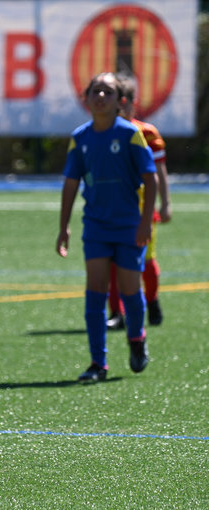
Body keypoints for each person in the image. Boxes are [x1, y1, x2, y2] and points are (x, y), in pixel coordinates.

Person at [56, 72, 157, 383]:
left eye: (108, 92)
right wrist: (64, 227)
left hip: (128, 226)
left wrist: (145, 223)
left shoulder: (130, 134)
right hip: (96, 226)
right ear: (86, 99)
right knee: (95, 291)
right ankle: (98, 363)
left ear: (120, 101)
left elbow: (150, 178)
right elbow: (71, 182)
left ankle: (136, 339)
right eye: (96, 91)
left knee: (130, 290)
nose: (100, 96)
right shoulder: (80, 137)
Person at [106, 73, 172, 330]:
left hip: (142, 210)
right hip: (112, 209)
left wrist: (165, 203)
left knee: (144, 261)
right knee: (112, 261)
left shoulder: (146, 133)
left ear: (129, 103)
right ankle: (117, 313)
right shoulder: (101, 132)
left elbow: (159, 171)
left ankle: (152, 300)